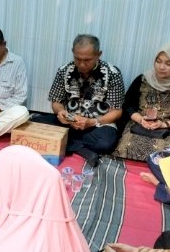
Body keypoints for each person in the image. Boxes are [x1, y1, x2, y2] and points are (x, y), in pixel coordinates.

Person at [38, 34, 125, 166]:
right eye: (77, 59)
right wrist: (61, 113)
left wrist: (92, 122)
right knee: (36, 122)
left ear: (98, 54)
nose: (82, 64)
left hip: (98, 125)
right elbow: (56, 102)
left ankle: (68, 143)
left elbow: (117, 112)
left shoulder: (113, 73)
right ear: (73, 52)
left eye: (87, 60)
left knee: (106, 143)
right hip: (69, 123)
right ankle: (81, 149)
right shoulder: (64, 70)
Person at [113, 42, 170, 161]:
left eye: (168, 63)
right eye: (158, 61)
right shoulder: (143, 79)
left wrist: (164, 124)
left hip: (168, 129)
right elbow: (127, 105)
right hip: (139, 124)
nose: (161, 67)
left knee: (161, 157)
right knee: (126, 147)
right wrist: (141, 120)